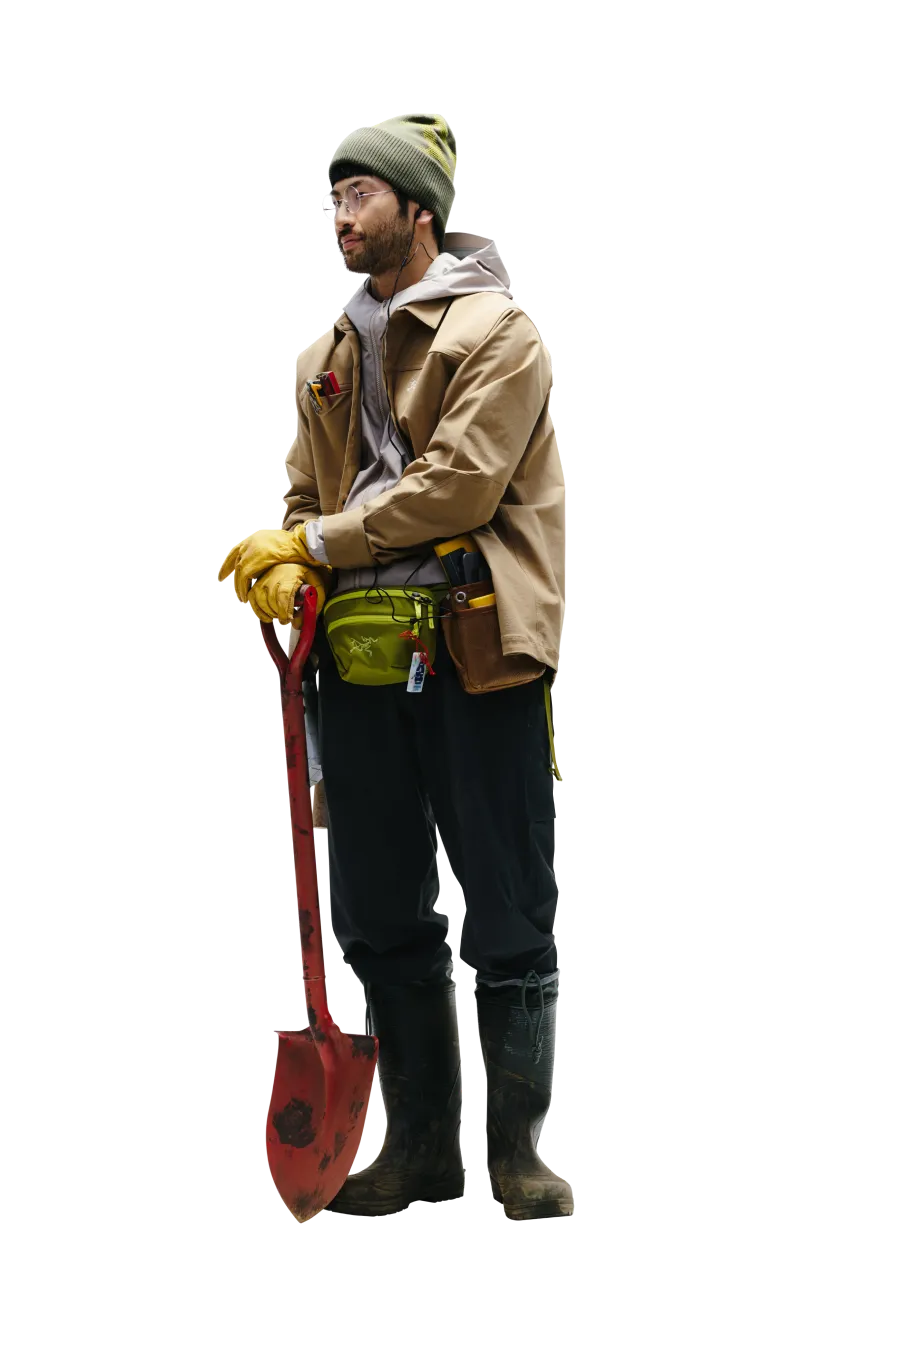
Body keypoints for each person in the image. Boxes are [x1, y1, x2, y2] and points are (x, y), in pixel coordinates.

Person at [219, 114, 570, 1220]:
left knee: (508, 896)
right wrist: (285, 560)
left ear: (422, 209)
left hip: (478, 647)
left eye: (360, 194)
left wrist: (317, 542)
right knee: (375, 901)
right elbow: (300, 496)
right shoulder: (328, 354)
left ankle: (515, 1158)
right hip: (355, 660)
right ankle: (417, 1152)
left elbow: (460, 486)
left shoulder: (498, 332)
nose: (340, 216)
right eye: (334, 198)